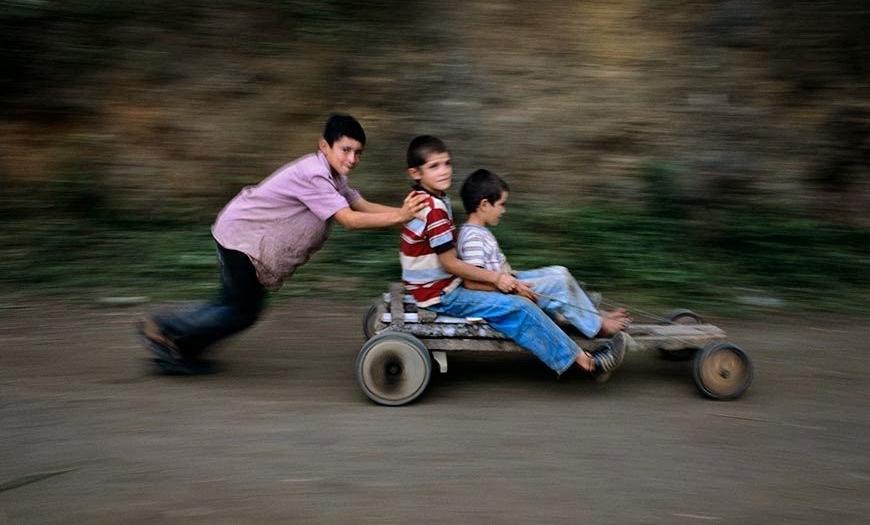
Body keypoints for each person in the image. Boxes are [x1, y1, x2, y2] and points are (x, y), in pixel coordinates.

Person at [137, 114, 429, 374]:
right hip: (243, 238)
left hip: (243, 236)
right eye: (346, 150)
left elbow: (361, 205)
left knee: (234, 307)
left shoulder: (335, 178)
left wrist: (405, 215)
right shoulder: (314, 174)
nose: (352, 159)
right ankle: (165, 328)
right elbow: (350, 220)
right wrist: (400, 217)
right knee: (240, 310)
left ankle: (179, 350)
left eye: (358, 153)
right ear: (324, 146)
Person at [399, 135, 627, 380]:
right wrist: (499, 280)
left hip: (445, 284)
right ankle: (588, 363)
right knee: (520, 308)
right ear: (415, 173)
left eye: (447, 163)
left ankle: (589, 320)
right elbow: (450, 264)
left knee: (557, 274)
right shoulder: (433, 210)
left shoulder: (432, 199)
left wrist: (505, 279)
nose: (444, 171)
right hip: (442, 295)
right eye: (434, 166)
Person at [457, 168, 630, 337]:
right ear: (484, 205)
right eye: (501, 204)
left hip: (508, 285)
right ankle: (598, 326)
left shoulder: (478, 232)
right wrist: (514, 288)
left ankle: (592, 317)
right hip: (501, 297)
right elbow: (471, 283)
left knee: (559, 272)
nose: (504, 210)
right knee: (560, 284)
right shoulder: (473, 237)